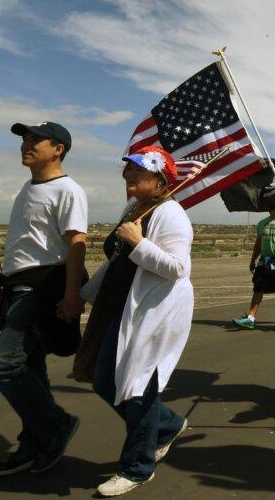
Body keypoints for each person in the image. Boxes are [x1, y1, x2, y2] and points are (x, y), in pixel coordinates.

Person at [80, 146, 193, 496]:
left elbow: (177, 268)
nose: (127, 175)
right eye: (127, 170)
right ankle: (168, 424)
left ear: (159, 179)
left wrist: (139, 242)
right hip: (121, 306)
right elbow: (117, 259)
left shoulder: (172, 213)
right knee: (104, 381)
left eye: (136, 171)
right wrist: (82, 295)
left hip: (154, 311)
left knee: (139, 388)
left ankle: (137, 468)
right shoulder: (133, 208)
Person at [0, 122, 88, 476]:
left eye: (34, 140)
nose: (25, 145)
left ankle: (55, 424)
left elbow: (76, 244)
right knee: (29, 366)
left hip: (41, 288)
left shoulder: (67, 190)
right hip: (18, 286)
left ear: (58, 149)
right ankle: (35, 442)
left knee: (3, 365)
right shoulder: (27, 189)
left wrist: (72, 294)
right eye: (24, 140)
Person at [234, 197, 275, 329]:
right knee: (258, 287)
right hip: (265, 261)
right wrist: (253, 260)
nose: (272, 208)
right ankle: (251, 318)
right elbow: (258, 243)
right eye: (270, 206)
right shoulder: (262, 223)